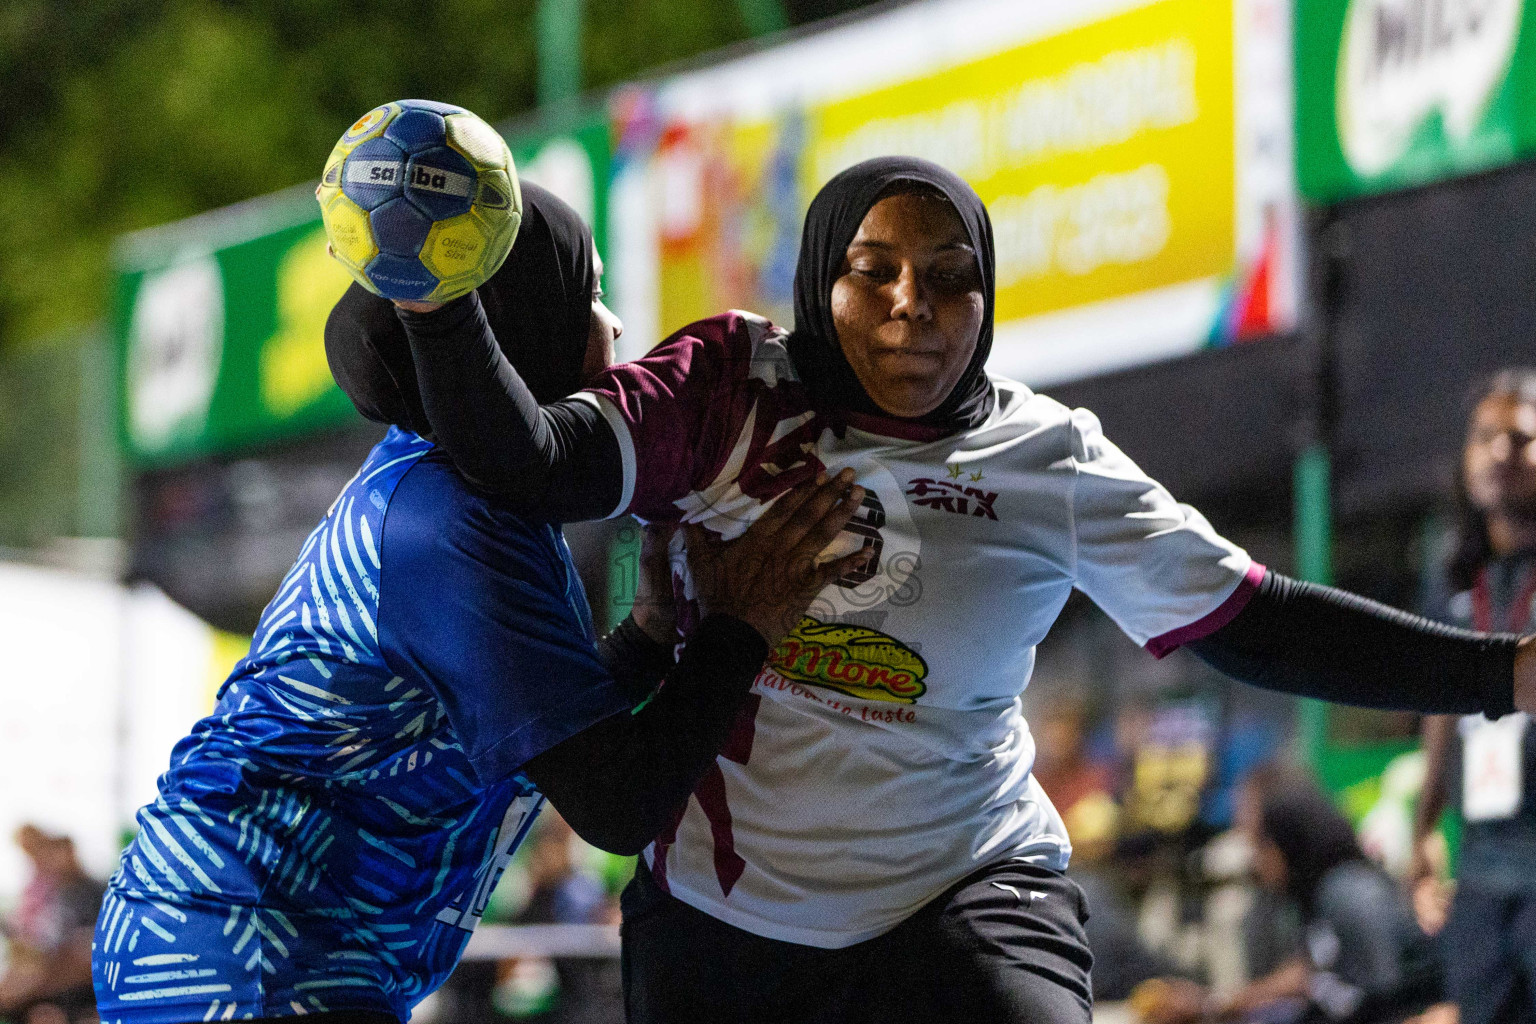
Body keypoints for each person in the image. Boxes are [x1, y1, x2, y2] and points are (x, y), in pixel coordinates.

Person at [326, 156, 1535, 1024]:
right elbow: (532, 459)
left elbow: (1256, 621)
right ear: (819, 279)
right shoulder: (722, 386)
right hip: (720, 919)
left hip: (964, 889)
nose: (915, 307)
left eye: (950, 277)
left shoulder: (1048, 461)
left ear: (988, 299)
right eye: (875, 271)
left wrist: (1506, 670)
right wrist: (430, 287)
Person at [92, 183, 870, 1024]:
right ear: (519, 329)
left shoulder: (451, 493)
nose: (612, 327)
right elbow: (615, 800)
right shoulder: (451, 524)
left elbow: (534, 738)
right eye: (587, 294)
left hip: (252, 944)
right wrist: (743, 621)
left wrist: (648, 636)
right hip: (241, 951)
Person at [1411, 369, 1536, 1024]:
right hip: (1483, 875)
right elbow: (1442, 701)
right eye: (1484, 437)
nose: (1497, 453)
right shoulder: (1454, 578)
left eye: (1519, 439)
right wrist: (1426, 824)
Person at [1138, 764, 1440, 1024]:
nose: (1254, 858)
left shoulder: (1349, 893)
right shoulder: (1316, 899)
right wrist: (1211, 1004)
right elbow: (1307, 974)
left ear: (1288, 839)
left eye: (1259, 843)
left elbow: (1391, 999)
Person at [0, 827, 104, 1024]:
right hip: (53, 959)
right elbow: (49, 931)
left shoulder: (94, 888)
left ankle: (22, 995)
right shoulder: (58, 891)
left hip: (81, 962)